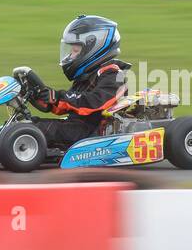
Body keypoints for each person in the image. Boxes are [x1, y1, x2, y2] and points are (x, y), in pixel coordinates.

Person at [13, 14, 130, 149]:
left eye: (75, 50)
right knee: (26, 124)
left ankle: (12, 143)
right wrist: (45, 99)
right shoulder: (87, 76)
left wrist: (58, 97)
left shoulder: (114, 75)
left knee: (33, 130)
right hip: (77, 127)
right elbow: (70, 105)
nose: (70, 56)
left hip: (91, 133)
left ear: (95, 48)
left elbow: (96, 103)